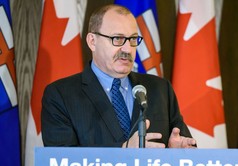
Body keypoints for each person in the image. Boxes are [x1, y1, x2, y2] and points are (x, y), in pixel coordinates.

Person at [41, 4, 197, 149]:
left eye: (133, 39)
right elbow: (61, 165)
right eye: (118, 39)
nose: (128, 49)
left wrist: (177, 154)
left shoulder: (160, 89)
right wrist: (124, 152)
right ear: (92, 41)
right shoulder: (60, 96)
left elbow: (183, 144)